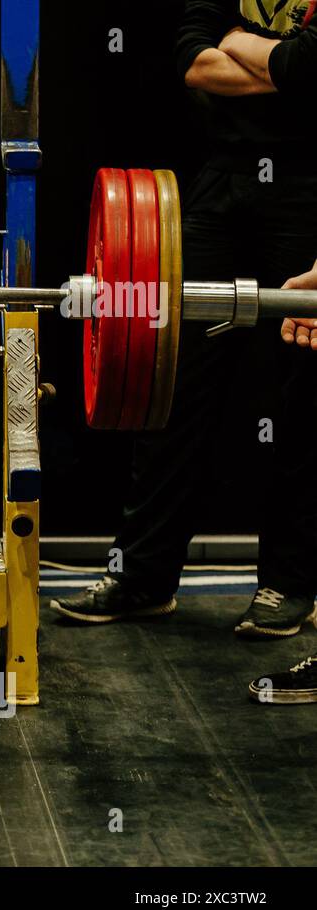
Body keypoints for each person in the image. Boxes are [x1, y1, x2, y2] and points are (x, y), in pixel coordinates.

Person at [52, 0, 317, 638]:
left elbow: (307, 64)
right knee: (170, 384)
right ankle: (143, 578)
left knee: (305, 392)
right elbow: (193, 64)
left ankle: (290, 584)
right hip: (221, 188)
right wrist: (284, 68)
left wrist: (240, 41)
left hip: (310, 186)